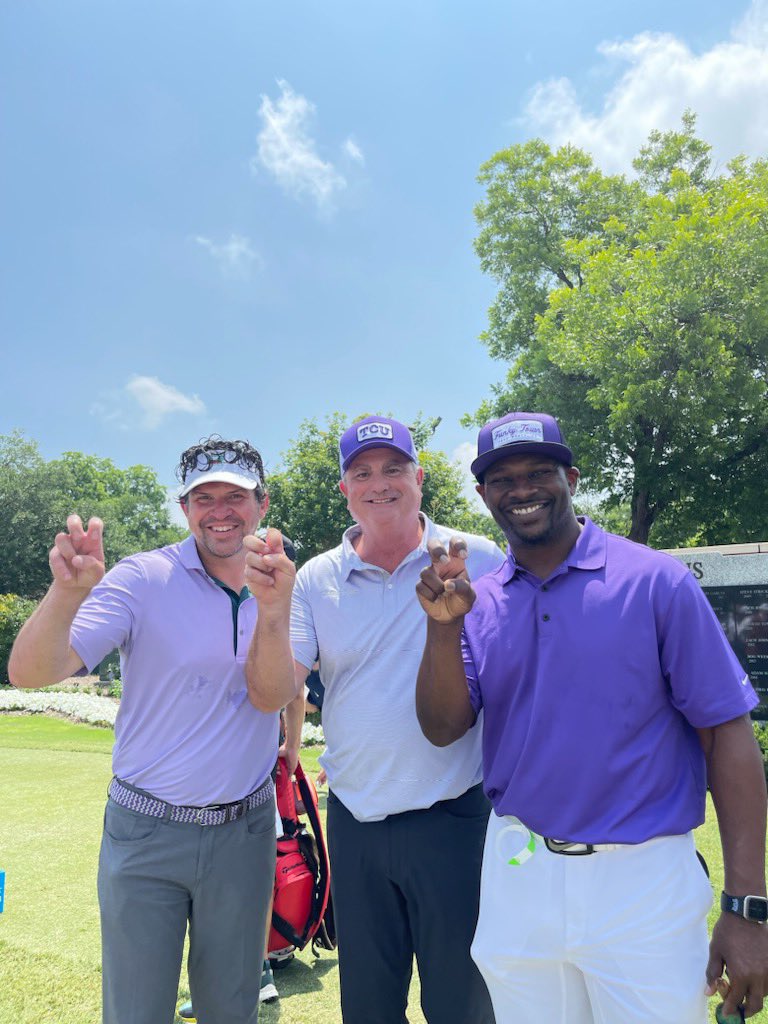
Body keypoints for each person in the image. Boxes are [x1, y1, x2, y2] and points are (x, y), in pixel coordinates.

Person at [414, 411, 768, 1023]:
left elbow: (726, 736)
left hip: (642, 880)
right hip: (520, 873)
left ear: (571, 477)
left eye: (538, 472)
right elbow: (443, 728)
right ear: (482, 495)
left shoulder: (657, 582)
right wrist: (442, 629)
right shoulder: (480, 599)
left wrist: (747, 906)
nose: (520, 490)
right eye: (502, 479)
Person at [9, 436, 299, 1024]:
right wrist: (67, 592)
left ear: (262, 504)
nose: (221, 510)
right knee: (136, 1010)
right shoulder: (142, 577)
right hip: (146, 831)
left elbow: (271, 696)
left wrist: (273, 609)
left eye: (235, 496)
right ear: (185, 508)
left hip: (242, 833)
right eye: (204, 497)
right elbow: (31, 671)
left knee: (231, 1008)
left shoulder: (285, 582)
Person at [245, 415, 504, 1024]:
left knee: (462, 1005)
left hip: (455, 814)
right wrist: (272, 610)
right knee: (367, 1005)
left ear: (420, 477)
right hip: (356, 819)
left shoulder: (479, 557)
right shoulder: (314, 578)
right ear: (344, 488)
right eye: (362, 472)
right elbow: (278, 689)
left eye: (393, 468)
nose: (378, 483)